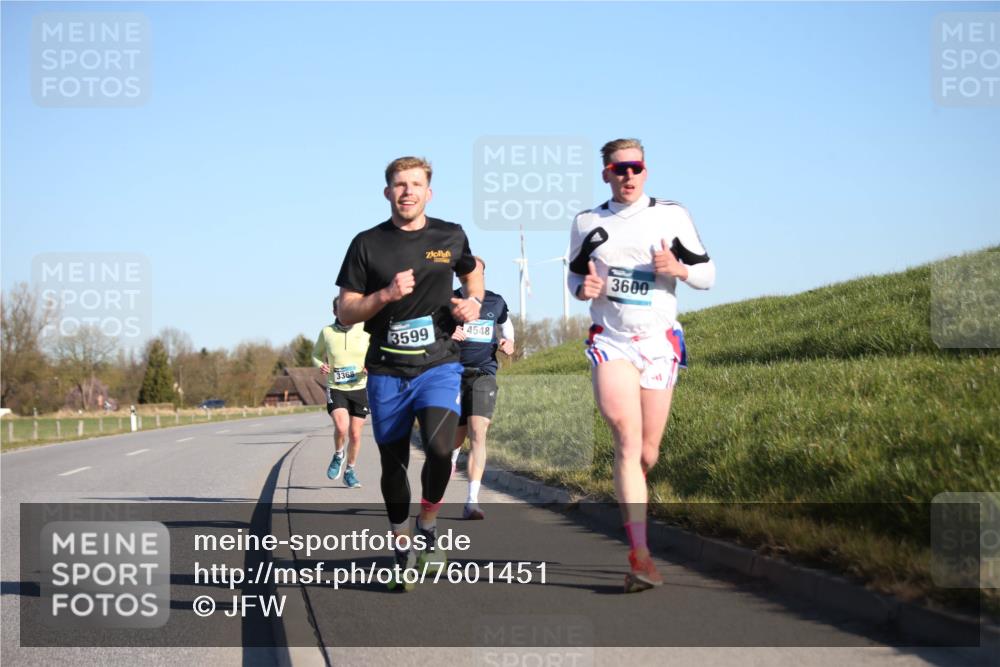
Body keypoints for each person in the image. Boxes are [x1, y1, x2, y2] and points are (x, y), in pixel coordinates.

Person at [567, 138, 716, 593]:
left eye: (635, 168)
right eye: (618, 169)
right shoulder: (587, 222)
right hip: (612, 342)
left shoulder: (671, 215)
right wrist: (583, 290)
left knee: (647, 453)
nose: (627, 176)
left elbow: (708, 276)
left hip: (659, 343)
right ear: (606, 174)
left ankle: (633, 490)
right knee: (626, 438)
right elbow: (576, 276)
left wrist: (678, 268)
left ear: (645, 171)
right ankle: (640, 555)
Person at [336, 156, 484, 589]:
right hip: (386, 369)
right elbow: (346, 310)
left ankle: (429, 526)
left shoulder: (450, 235)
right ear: (387, 192)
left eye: (415, 184)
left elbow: (471, 271)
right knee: (393, 461)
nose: (407, 192)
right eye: (399, 185)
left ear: (428, 192)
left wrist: (471, 300)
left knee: (441, 450)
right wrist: (383, 294)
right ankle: (401, 544)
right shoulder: (367, 244)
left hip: (438, 362)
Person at [449, 257, 515, 520]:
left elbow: (507, 327)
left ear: (483, 275)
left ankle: (472, 500)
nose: (471, 279)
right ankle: (452, 456)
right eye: (465, 275)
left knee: (479, 431)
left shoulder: (495, 302)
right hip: (451, 374)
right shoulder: (448, 301)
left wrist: (507, 342)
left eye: (475, 274)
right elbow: (431, 333)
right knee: (453, 438)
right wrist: (448, 333)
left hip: (483, 373)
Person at [312, 296, 371, 489]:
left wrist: (370, 366)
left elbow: (374, 353)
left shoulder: (365, 330)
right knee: (342, 426)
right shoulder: (327, 332)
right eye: (341, 309)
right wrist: (322, 365)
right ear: (335, 312)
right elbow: (315, 354)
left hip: (359, 387)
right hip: (336, 387)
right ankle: (339, 454)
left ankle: (350, 471)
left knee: (355, 434)